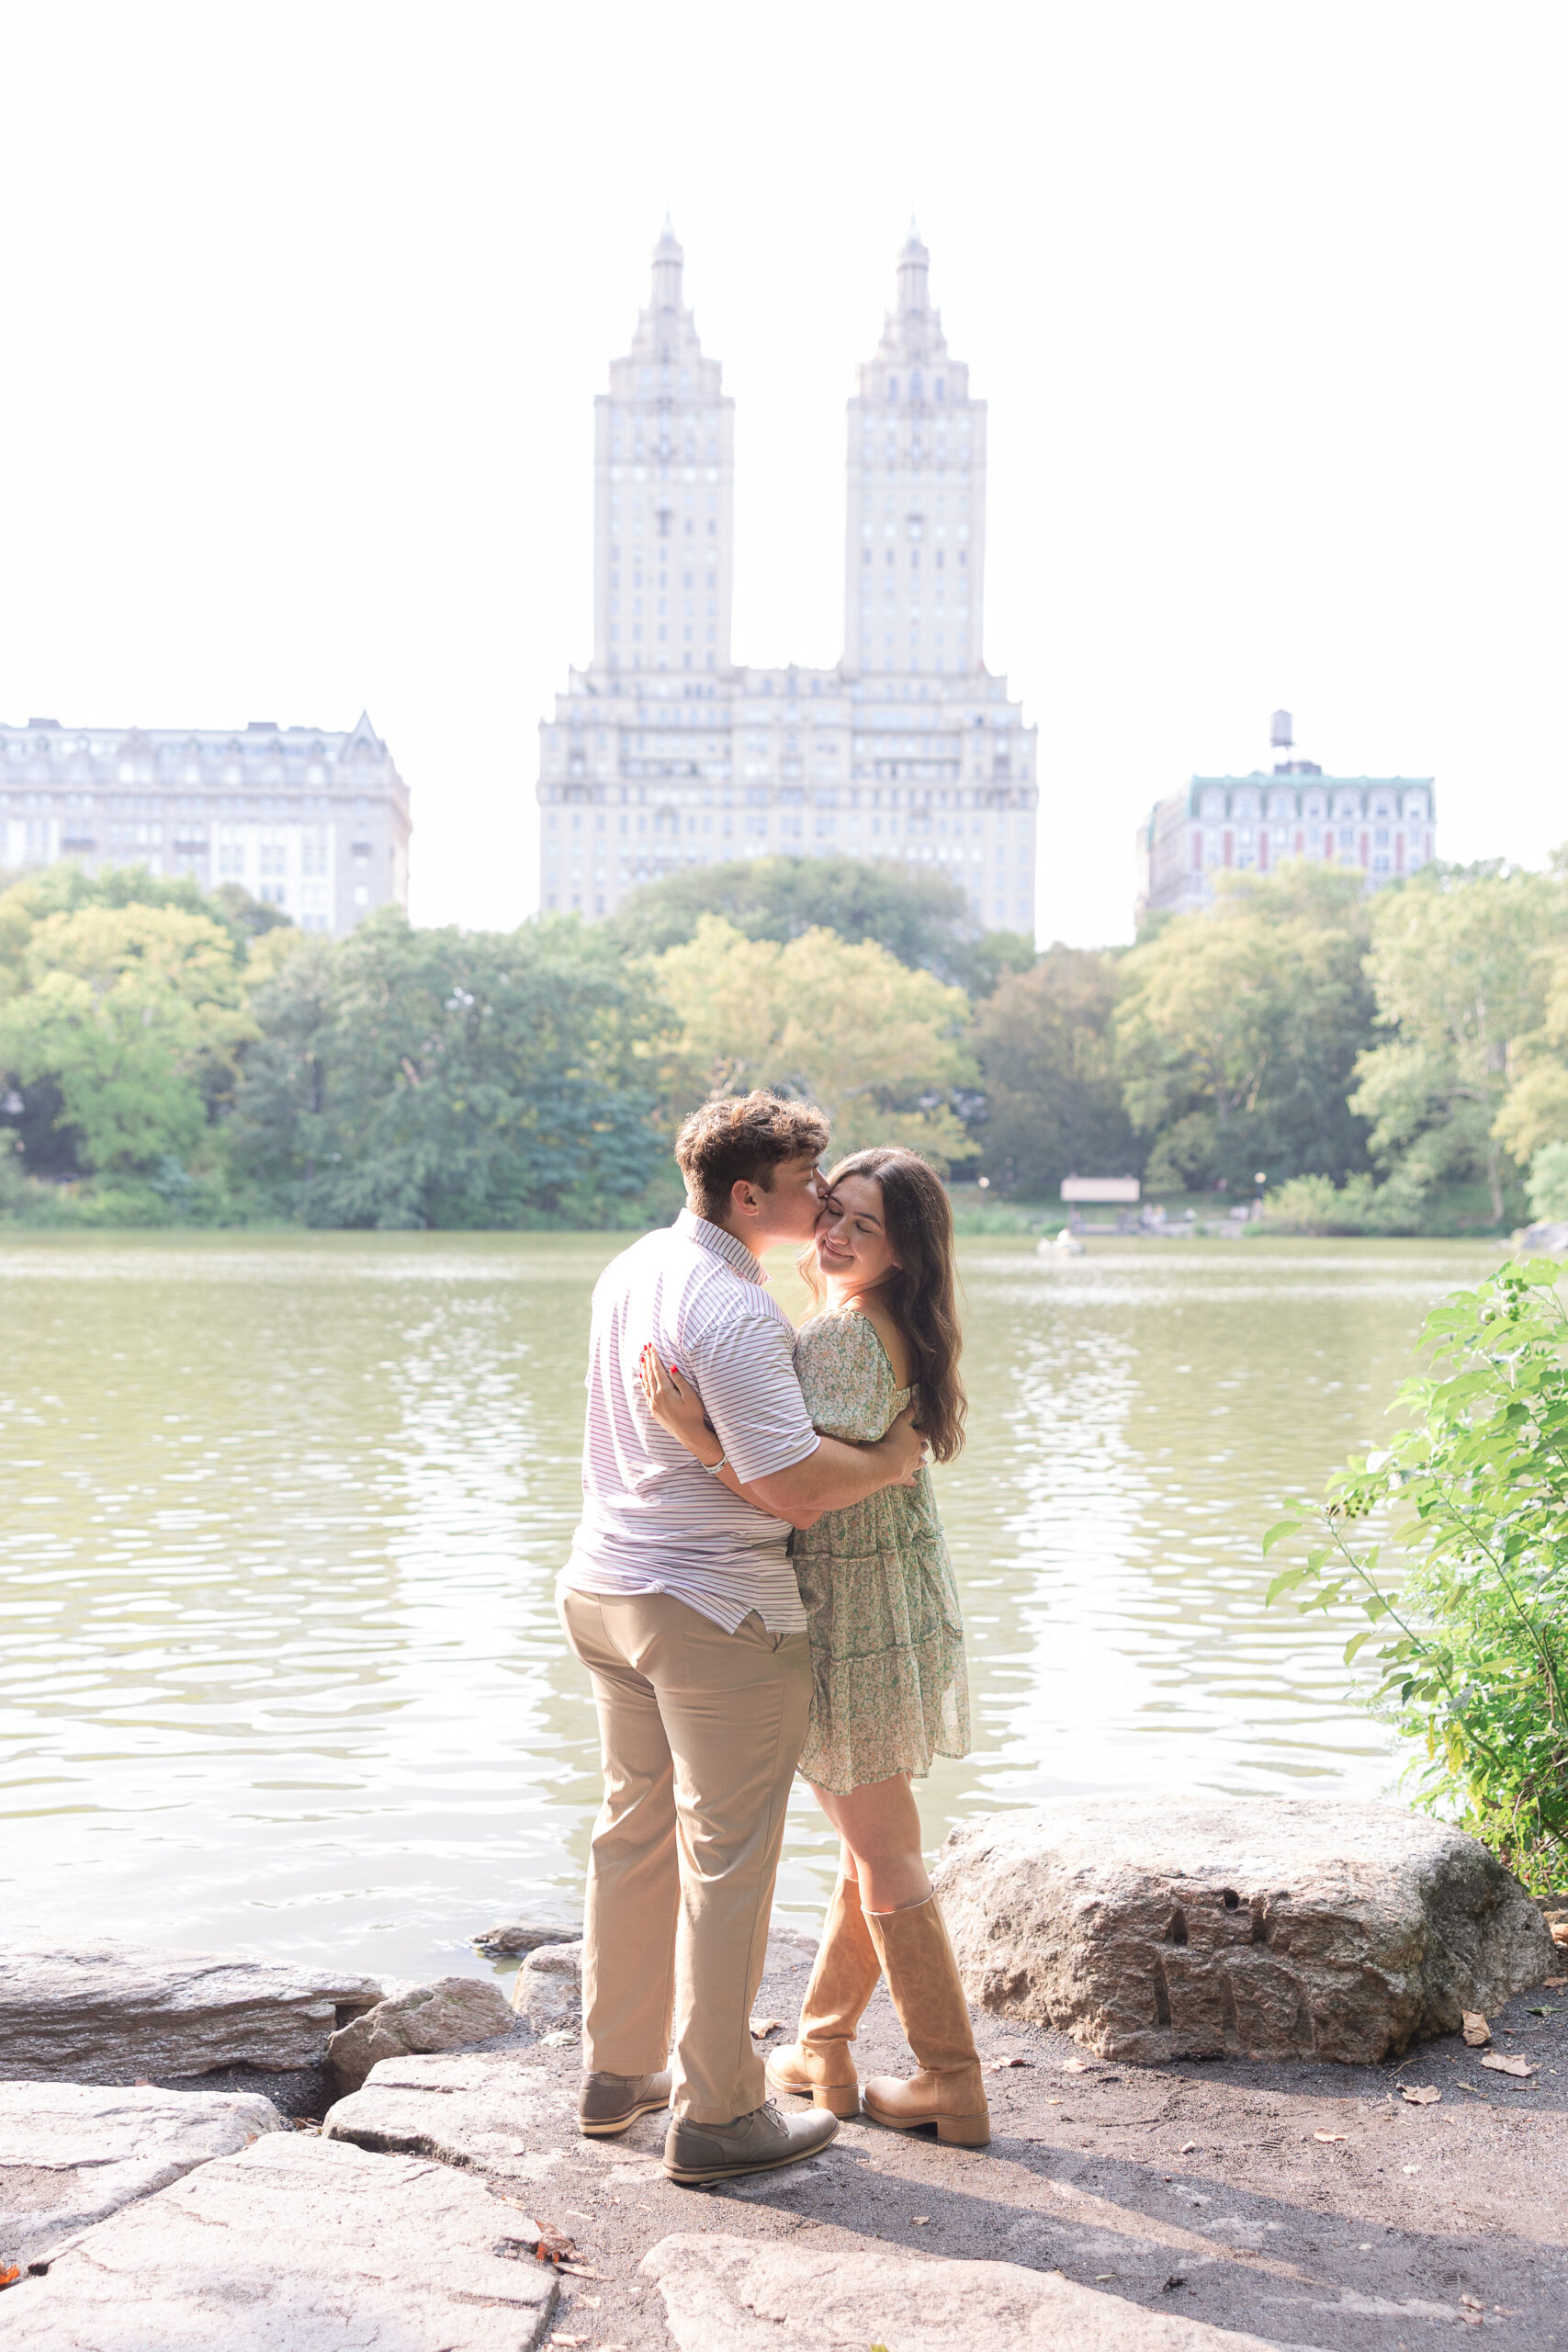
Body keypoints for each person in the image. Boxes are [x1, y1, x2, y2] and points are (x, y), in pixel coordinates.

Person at [557, 1093, 926, 2188]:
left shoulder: (631, 1267)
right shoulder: (737, 1310)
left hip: (603, 1589)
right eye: (806, 1179)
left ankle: (618, 2073)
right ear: (747, 1194)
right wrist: (895, 1463)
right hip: (714, 1612)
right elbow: (795, 1489)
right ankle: (718, 2110)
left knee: (631, 1832)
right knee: (728, 1859)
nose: (821, 1198)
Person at [639, 1147, 989, 2149]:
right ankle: (824, 2046)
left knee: (883, 1850)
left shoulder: (845, 1335)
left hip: (846, 1613)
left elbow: (795, 1485)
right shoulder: (892, 1325)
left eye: (861, 1225)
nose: (831, 1233)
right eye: (830, 1211)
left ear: (904, 1250)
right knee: (869, 1844)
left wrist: (696, 1432)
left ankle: (950, 2080)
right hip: (882, 1596)